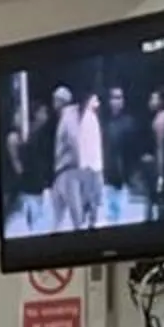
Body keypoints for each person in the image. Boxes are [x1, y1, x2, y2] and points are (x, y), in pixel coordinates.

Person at [102, 83, 143, 223]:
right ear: (109, 101)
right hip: (107, 179)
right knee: (109, 218)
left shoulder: (129, 123)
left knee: (122, 218)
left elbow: (133, 151)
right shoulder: (104, 124)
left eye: (119, 98)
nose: (117, 101)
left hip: (123, 180)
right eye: (114, 98)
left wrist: (132, 174)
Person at [49, 85, 83, 230]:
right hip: (61, 172)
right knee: (57, 213)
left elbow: (75, 141)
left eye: (55, 99)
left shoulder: (69, 118)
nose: (53, 102)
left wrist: (78, 164)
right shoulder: (65, 117)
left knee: (75, 213)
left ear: (61, 100)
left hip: (68, 170)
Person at [75, 91, 105, 230]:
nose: (98, 103)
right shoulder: (88, 119)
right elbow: (86, 144)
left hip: (93, 164)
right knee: (90, 195)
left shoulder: (91, 118)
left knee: (93, 195)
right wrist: (89, 165)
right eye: (95, 100)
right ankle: (89, 220)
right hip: (90, 165)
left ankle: (90, 219)